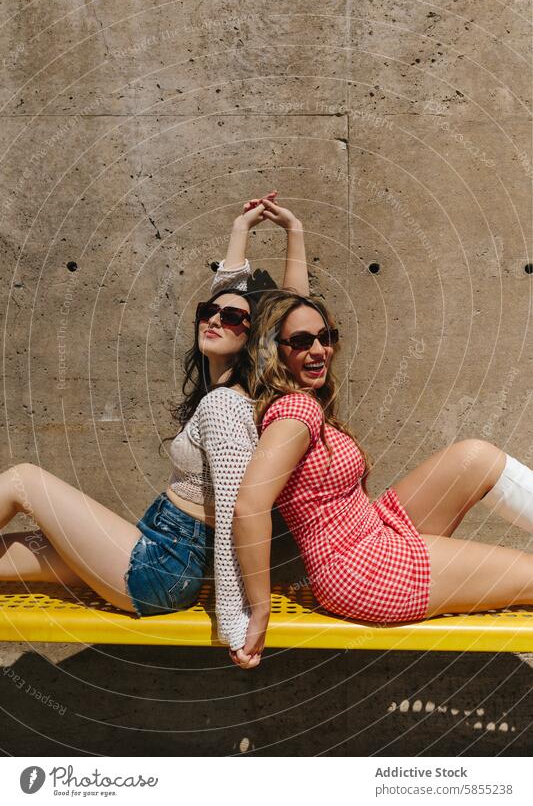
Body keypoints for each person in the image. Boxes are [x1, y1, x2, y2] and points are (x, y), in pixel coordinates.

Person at [0, 194, 309, 653]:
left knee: (24, 480)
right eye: (208, 313)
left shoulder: (224, 406)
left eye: (232, 319)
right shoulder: (221, 391)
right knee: (16, 555)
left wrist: (237, 624)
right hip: (159, 550)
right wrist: (243, 230)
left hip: (159, 567)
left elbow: (231, 521)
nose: (215, 321)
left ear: (255, 340)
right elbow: (237, 297)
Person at [229, 289, 533, 667]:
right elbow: (249, 506)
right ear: (276, 351)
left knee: (475, 458)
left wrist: (294, 230)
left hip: (375, 530)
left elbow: (296, 305)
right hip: (363, 569)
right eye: (303, 342)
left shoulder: (304, 401)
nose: (319, 350)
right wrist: (259, 613)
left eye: (326, 338)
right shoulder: (297, 413)